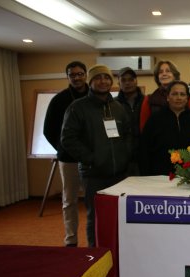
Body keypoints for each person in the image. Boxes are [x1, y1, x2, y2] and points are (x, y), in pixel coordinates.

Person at [61, 64, 132, 247]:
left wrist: (124, 156)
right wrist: (91, 159)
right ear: (90, 82)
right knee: (95, 216)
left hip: (119, 174)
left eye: (106, 77)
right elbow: (68, 139)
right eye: (98, 78)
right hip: (94, 174)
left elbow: (128, 134)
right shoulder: (78, 108)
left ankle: (117, 249)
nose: (103, 81)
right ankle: (95, 253)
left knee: (119, 214)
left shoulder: (118, 107)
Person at [43, 60, 89, 247]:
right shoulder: (59, 100)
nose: (77, 78)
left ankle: (94, 238)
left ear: (86, 75)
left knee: (93, 201)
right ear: (67, 77)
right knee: (69, 200)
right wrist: (62, 148)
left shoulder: (94, 96)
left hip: (91, 159)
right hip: (68, 159)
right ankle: (71, 239)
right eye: (72, 75)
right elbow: (48, 130)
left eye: (80, 74)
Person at [138, 81, 190, 176]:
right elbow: (144, 150)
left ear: (187, 98)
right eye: (174, 94)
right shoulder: (155, 119)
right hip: (160, 176)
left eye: (182, 94)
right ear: (168, 97)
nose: (178, 98)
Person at [139, 60, 190, 132]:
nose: (164, 74)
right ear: (157, 77)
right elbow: (144, 128)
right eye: (160, 72)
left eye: (168, 71)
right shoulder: (149, 99)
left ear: (175, 75)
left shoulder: (187, 98)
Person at [115, 67, 145, 175]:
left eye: (131, 79)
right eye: (123, 80)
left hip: (143, 155)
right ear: (118, 82)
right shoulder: (113, 105)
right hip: (121, 158)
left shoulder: (146, 101)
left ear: (136, 81)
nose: (127, 83)